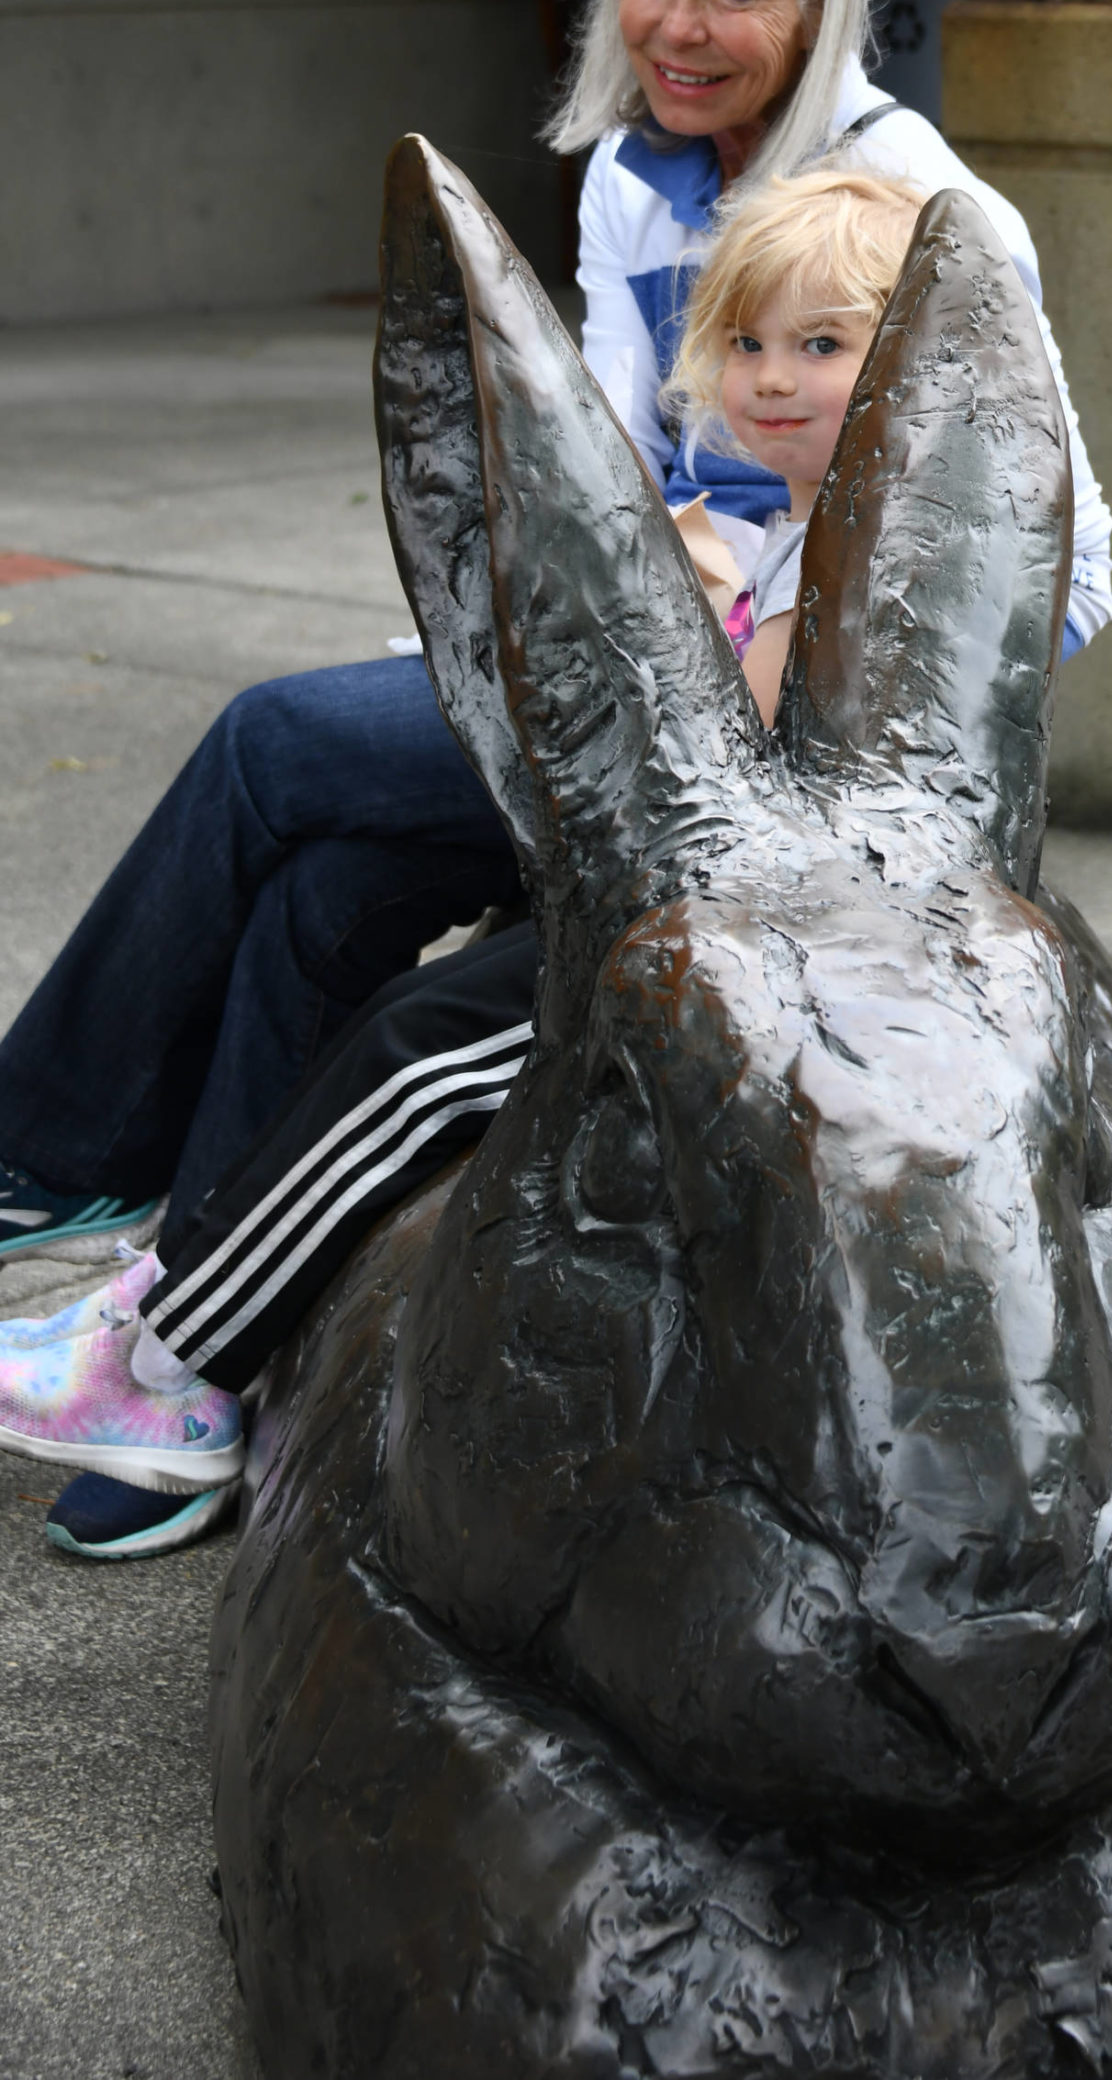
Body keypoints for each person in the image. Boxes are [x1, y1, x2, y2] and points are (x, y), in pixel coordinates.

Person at [0, 0, 1112, 1550]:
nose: (680, 22)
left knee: (277, 750)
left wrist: (810, 637)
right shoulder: (627, 181)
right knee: (330, 879)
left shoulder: (926, 206)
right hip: (624, 676)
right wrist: (643, 558)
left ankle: (59, 1174)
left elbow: (1072, 563)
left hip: (768, 752)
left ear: (822, 5)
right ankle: (201, 1366)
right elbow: (607, 457)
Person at [0, 168, 934, 1552]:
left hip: (758, 960)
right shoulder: (799, 522)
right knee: (336, 901)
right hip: (692, 899)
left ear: (911, 362)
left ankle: (172, 1359)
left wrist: (696, 616)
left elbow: (745, 767)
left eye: (820, 344)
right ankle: (172, 1316)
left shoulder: (879, 549)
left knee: (416, 1053)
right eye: (746, 344)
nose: (771, 379)